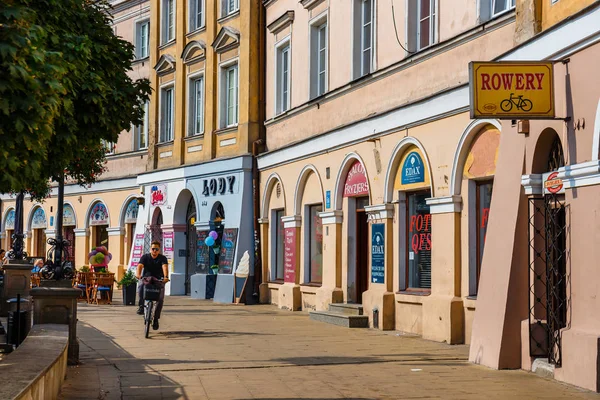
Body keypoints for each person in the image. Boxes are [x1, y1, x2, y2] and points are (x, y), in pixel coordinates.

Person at [136, 241, 169, 330]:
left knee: (160, 299)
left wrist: (166, 277)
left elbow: (164, 267)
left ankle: (156, 319)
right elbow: (140, 266)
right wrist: (138, 274)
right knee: (140, 287)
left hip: (158, 280)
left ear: (159, 250)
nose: (154, 251)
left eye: (156, 249)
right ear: (150, 249)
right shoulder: (145, 257)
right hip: (147, 279)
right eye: (153, 249)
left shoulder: (162, 258)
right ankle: (141, 306)